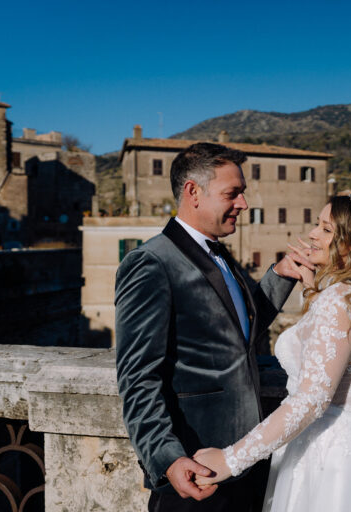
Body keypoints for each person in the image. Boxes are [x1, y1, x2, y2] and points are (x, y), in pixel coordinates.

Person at [193, 194, 351, 511]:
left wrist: (229, 460)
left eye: (326, 229)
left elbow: (312, 400)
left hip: (331, 457)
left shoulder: (338, 300)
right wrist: (314, 290)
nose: (313, 235)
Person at [115, 142, 314, 512]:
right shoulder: (150, 263)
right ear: (193, 192)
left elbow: (237, 332)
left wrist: (280, 275)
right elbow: (137, 376)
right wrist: (168, 458)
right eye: (232, 193)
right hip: (195, 468)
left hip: (246, 462)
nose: (243, 204)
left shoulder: (220, 254)